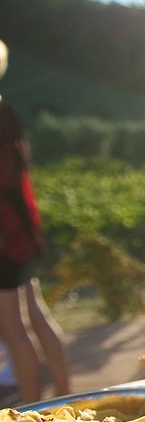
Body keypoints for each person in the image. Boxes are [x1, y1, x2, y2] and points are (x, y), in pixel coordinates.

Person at [0, 40, 71, 403]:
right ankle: (63, 396)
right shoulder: (6, 114)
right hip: (21, 230)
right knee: (35, 315)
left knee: (11, 327)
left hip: (4, 236)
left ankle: (34, 411)